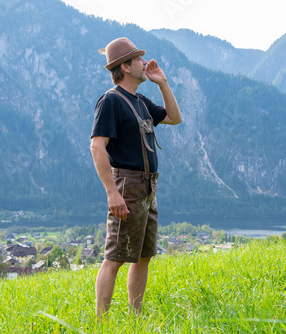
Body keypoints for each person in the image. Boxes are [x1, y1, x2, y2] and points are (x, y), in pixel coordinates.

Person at [90, 37, 182, 317]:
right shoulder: (111, 101)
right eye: (139, 59)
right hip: (126, 186)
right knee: (115, 257)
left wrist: (162, 82)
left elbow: (174, 118)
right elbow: (97, 146)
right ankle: (101, 322)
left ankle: (136, 317)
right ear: (126, 67)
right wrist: (112, 192)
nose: (145, 62)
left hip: (147, 187)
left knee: (143, 255)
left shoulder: (141, 100)